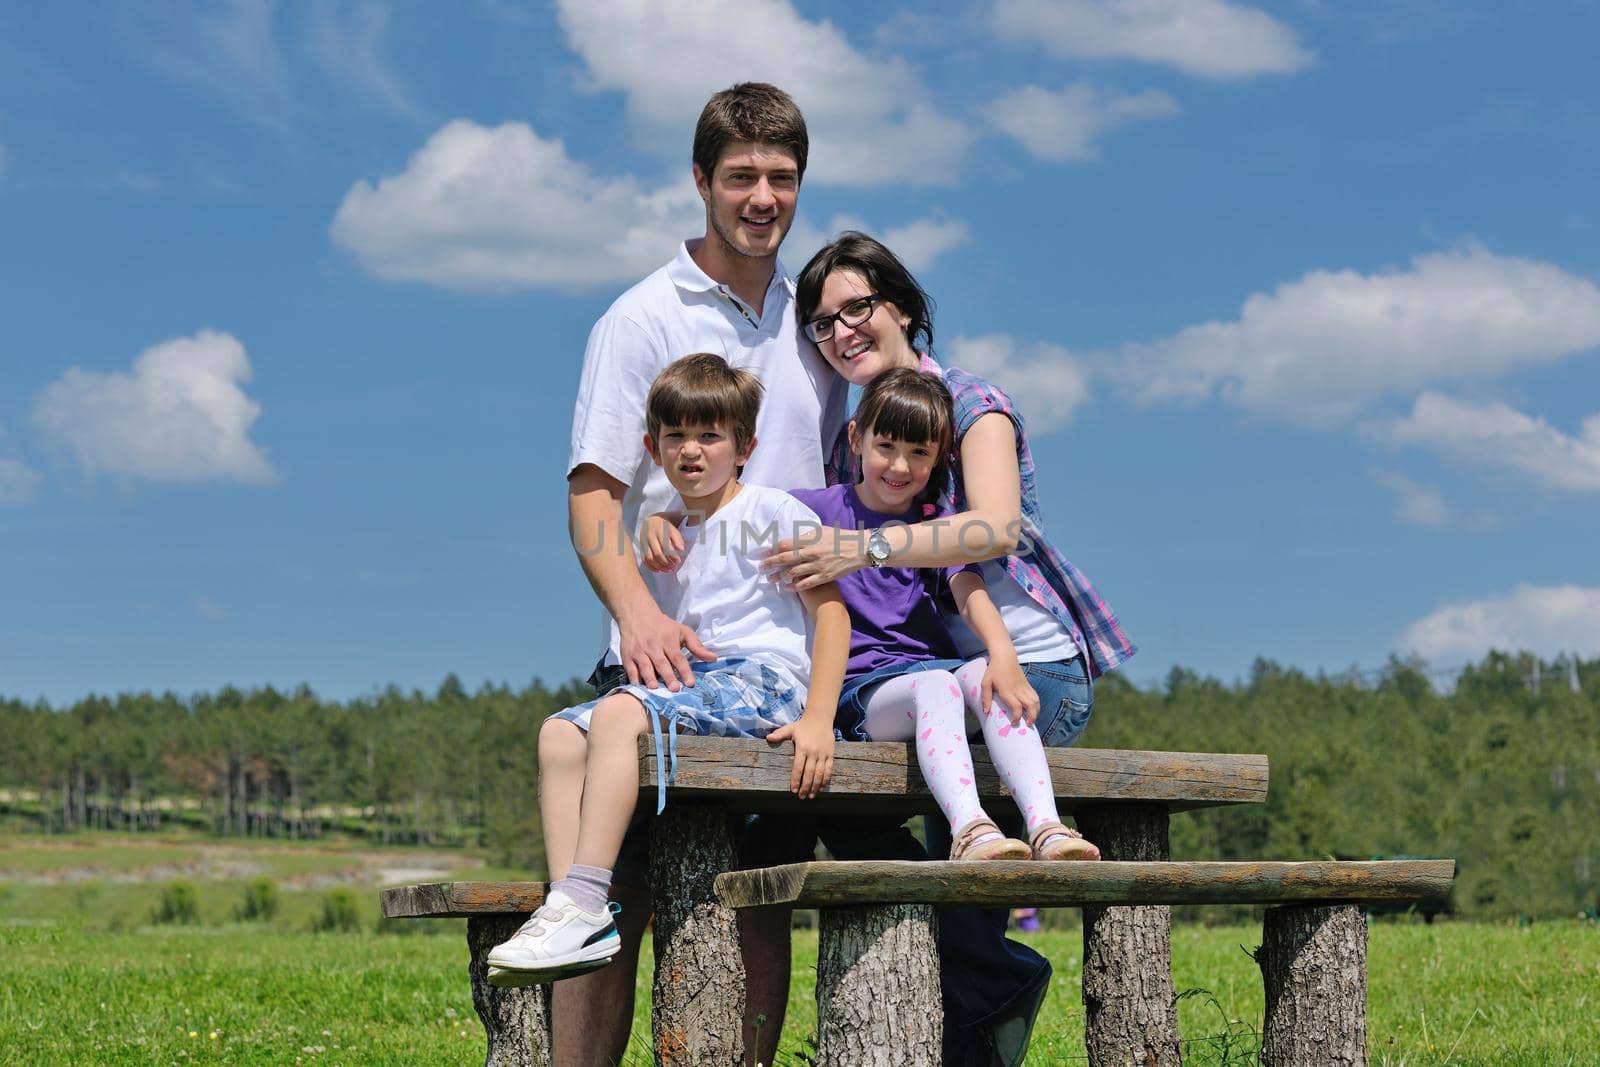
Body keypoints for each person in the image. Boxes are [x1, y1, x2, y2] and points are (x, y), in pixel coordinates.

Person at [772, 232, 1138, 1064]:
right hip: (925, 675)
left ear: (901, 306)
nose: (841, 331)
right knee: (837, 804)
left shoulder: (971, 402)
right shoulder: (854, 438)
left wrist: (863, 550)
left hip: (1029, 669)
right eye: (822, 323)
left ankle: (977, 1005)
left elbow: (994, 527)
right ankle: (991, 980)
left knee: (951, 822)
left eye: (857, 308)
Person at [560, 83, 842, 1065]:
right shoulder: (640, 319)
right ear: (699, 181)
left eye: (781, 177)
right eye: (740, 176)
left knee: (760, 904)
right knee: (614, 908)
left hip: (776, 674)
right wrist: (636, 615)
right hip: (664, 664)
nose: (761, 196)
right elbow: (592, 499)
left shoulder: (816, 327)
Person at [490, 354, 848, 983]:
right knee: (557, 733)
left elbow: (833, 617)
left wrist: (820, 718)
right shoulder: (666, 532)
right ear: (652, 448)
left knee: (624, 711)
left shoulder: (774, 513)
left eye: (710, 435)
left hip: (766, 682)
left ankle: (584, 896)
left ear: (745, 446)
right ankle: (569, 907)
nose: (691, 450)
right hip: (700, 683)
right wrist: (658, 523)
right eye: (676, 436)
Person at [789, 368, 1101, 864]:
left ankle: (1047, 826)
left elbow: (968, 588)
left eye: (919, 453)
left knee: (980, 678)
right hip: (863, 690)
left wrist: (1002, 655)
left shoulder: (933, 527)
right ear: (856, 438)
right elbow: (733, 515)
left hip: (929, 678)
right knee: (938, 685)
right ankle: (971, 830)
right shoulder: (810, 510)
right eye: (886, 446)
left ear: (937, 460)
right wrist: (666, 522)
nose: (899, 465)